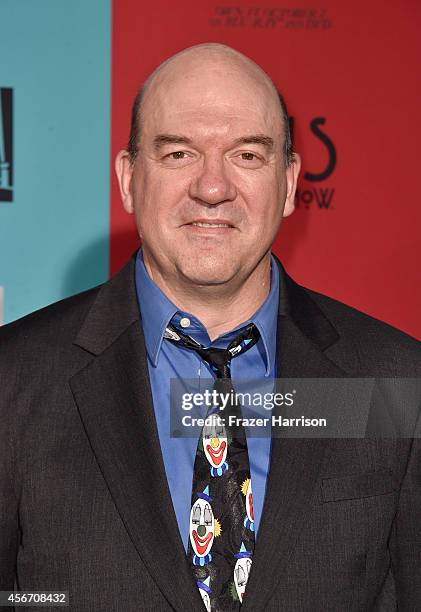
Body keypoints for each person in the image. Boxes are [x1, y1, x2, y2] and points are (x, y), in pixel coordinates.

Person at [0, 43, 420, 612]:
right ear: (128, 179)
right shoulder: (14, 380)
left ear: (291, 183)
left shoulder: (393, 381)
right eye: (178, 154)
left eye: (247, 155)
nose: (213, 187)